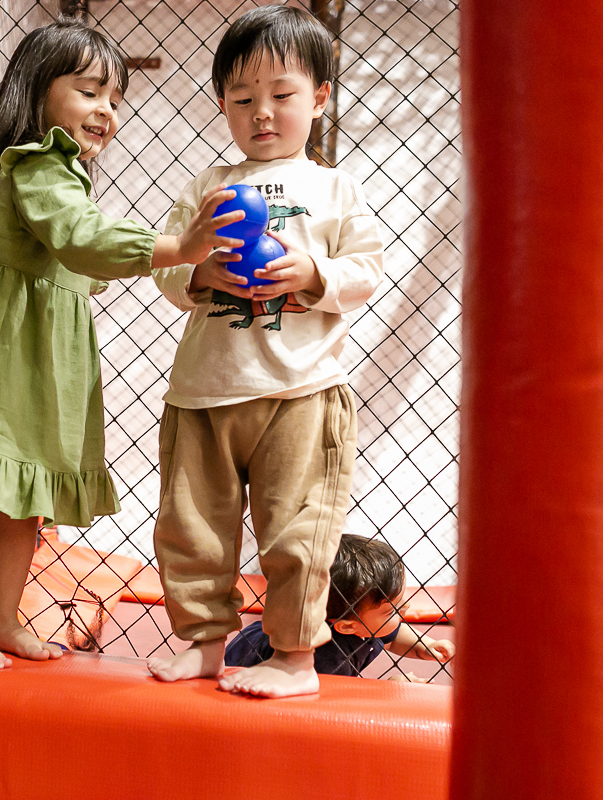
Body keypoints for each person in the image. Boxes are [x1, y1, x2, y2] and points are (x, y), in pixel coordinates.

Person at [0, 19, 246, 671]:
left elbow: (77, 263)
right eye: (91, 91)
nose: (106, 111)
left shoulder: (66, 175)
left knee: (26, 496)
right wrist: (179, 247)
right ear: (37, 93)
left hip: (38, 363)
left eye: (115, 100)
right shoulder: (37, 164)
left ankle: (3, 619)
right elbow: (80, 238)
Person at [146, 5, 386, 698]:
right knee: (194, 528)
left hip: (302, 392)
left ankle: (293, 659)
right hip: (205, 390)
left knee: (299, 531)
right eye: (242, 100)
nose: (262, 114)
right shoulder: (208, 185)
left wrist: (315, 276)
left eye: (282, 96)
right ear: (222, 104)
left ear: (318, 98)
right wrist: (199, 271)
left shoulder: (336, 188)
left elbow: (368, 268)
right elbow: (167, 262)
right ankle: (202, 644)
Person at [224, 535, 455, 682]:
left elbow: (392, 637)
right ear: (346, 627)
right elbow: (334, 703)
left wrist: (427, 646)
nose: (406, 608)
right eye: (391, 611)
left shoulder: (363, 622)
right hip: (243, 674)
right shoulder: (326, 656)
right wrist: (391, 687)